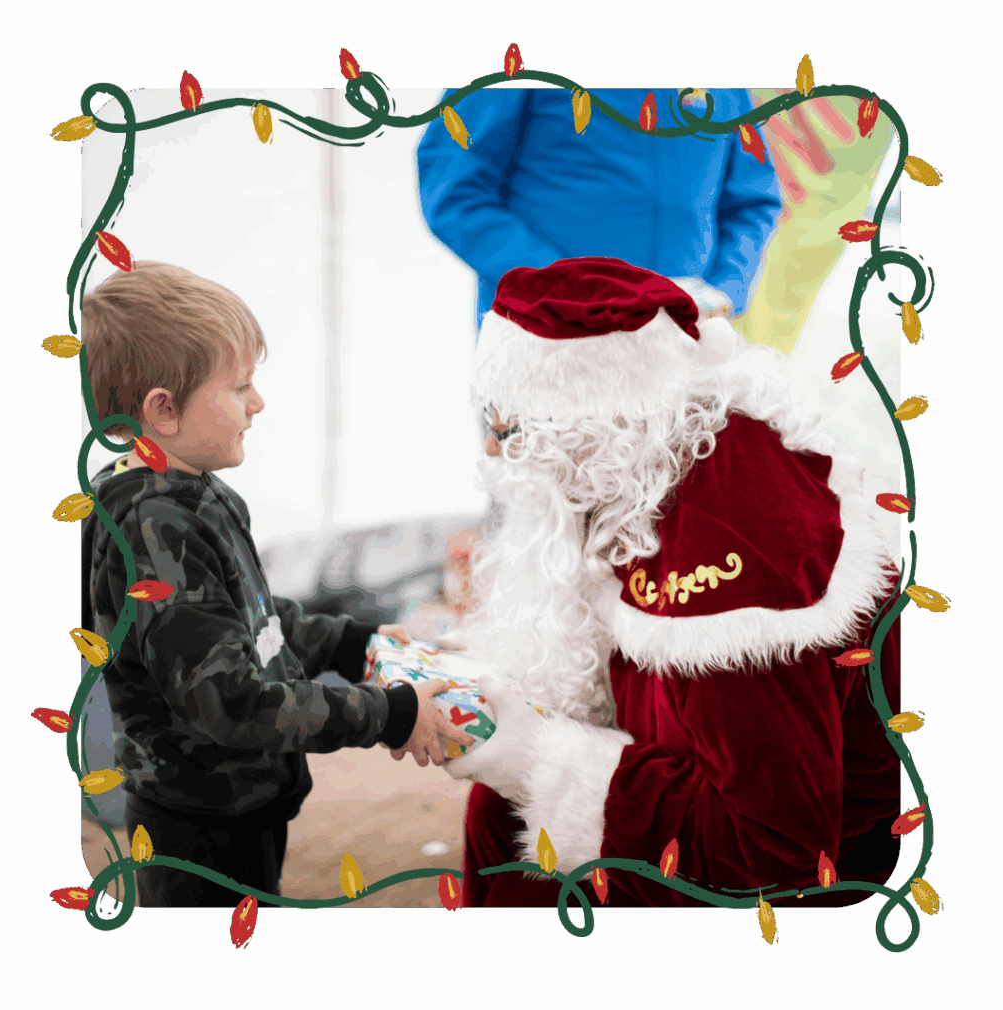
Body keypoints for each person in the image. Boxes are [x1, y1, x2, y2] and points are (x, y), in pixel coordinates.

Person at [438, 256, 902, 908]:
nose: (493, 451)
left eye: (511, 427)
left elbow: (774, 853)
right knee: (500, 808)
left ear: (590, 424)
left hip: (817, 881)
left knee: (515, 809)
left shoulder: (727, 558)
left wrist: (540, 758)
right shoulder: (648, 477)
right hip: (712, 812)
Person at [79, 262, 474, 908]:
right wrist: (390, 715)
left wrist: (353, 641)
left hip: (245, 801)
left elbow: (252, 619)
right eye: (239, 388)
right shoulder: (155, 533)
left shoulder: (199, 495)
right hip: (199, 821)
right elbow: (234, 702)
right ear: (164, 409)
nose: (256, 403)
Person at [416, 87, 782, 331]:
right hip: (547, 344)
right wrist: (566, 289)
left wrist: (725, 288)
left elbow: (752, 200)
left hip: (679, 352)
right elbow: (454, 190)